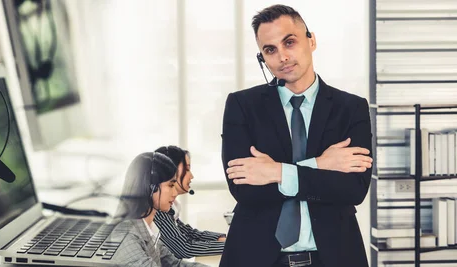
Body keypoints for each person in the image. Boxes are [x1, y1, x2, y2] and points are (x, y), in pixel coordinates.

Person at [220, 4, 373, 267]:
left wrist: (276, 172)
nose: (282, 57)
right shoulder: (242, 106)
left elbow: (352, 189)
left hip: (334, 257)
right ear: (262, 58)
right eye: (270, 50)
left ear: (311, 41)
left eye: (289, 42)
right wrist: (321, 165)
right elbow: (244, 189)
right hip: (257, 257)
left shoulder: (351, 108)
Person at [114, 152, 208, 267]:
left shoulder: (147, 228)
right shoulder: (127, 238)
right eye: (171, 185)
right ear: (151, 187)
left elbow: (175, 264)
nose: (175, 193)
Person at [153, 145, 226, 259]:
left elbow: (188, 233)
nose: (191, 176)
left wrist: (221, 238)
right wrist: (231, 246)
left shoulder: (170, 208)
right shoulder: (157, 210)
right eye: (187, 169)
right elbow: (184, 248)